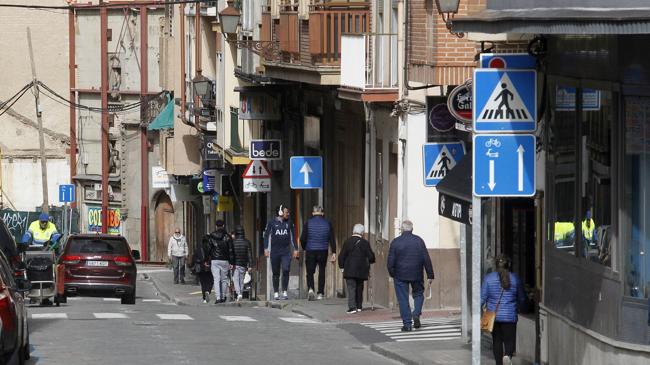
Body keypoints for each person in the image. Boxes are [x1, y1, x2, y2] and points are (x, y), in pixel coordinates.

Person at [387, 220, 434, 332]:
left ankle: (407, 324)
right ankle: (416, 313)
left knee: (403, 299)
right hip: (417, 274)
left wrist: (392, 273)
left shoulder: (395, 242)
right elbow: (426, 258)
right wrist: (430, 274)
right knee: (418, 294)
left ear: (402, 230)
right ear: (412, 229)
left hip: (400, 274)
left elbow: (390, 261)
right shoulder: (419, 241)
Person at [481, 255, 527, 365]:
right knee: (509, 341)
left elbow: (482, 298)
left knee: (496, 342)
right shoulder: (515, 278)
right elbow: (522, 298)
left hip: (493, 316)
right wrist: (524, 308)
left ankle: (499, 363)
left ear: (495, 265)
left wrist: (478, 313)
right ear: (509, 265)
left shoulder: (488, 278)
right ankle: (507, 356)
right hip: (510, 316)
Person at [300, 205, 336, 301]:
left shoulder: (308, 223)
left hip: (310, 249)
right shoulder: (328, 223)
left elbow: (302, 238)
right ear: (322, 213)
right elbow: (332, 239)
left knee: (310, 271)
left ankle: (311, 289)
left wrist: (304, 247)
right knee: (322, 271)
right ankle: (320, 293)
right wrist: (334, 252)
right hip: (323, 250)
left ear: (313, 213)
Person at [338, 224, 375, 314]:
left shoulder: (347, 242)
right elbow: (371, 257)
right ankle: (359, 306)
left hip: (349, 269)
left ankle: (352, 307)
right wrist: (367, 261)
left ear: (353, 231)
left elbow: (341, 256)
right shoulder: (365, 243)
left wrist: (342, 267)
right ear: (362, 232)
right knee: (359, 287)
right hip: (361, 270)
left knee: (351, 288)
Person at [264, 204, 298, 300]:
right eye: (286, 212)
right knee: (276, 272)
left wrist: (295, 249)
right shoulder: (271, 223)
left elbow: (293, 237)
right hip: (275, 252)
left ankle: (284, 291)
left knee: (286, 269)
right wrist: (266, 248)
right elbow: (266, 236)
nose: (288, 214)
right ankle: (275, 292)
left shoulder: (289, 223)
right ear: (280, 212)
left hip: (286, 252)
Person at [205, 219, 234, 304]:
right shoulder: (228, 237)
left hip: (215, 260)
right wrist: (232, 262)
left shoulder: (211, 236)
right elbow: (231, 250)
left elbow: (208, 249)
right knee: (224, 279)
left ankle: (218, 298)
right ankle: (223, 296)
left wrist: (206, 260)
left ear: (216, 226)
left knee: (216, 279)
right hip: (225, 260)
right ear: (224, 226)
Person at [232, 225, 253, 302]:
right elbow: (249, 255)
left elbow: (231, 254)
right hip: (243, 264)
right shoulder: (247, 242)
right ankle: (240, 293)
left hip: (235, 264)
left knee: (235, 279)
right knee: (241, 280)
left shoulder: (233, 242)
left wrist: (231, 263)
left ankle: (239, 293)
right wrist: (250, 265)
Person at [191, 238, 214, 303]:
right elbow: (212, 257)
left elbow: (194, 258)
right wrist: (208, 263)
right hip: (209, 268)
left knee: (203, 283)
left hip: (200, 268)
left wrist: (201, 262)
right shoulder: (211, 248)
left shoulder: (198, 249)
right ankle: (208, 291)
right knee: (211, 281)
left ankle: (204, 298)